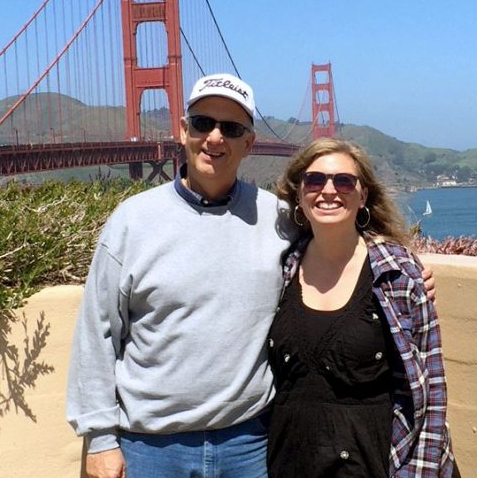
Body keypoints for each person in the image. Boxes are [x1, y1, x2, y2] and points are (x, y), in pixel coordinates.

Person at [67, 74, 437, 478]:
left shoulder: (276, 218)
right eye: (203, 123)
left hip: (250, 446)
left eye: (231, 128)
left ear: (249, 142)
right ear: (183, 130)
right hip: (152, 448)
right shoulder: (131, 221)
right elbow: (97, 332)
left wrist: (400, 268)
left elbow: (334, 227)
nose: (214, 138)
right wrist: (101, 439)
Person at [268, 138, 457, 477]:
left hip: (373, 465)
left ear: (363, 194)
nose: (329, 190)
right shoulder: (282, 269)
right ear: (298, 194)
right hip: (291, 463)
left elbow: (432, 395)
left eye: (343, 181)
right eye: (314, 180)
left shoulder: (397, 274)